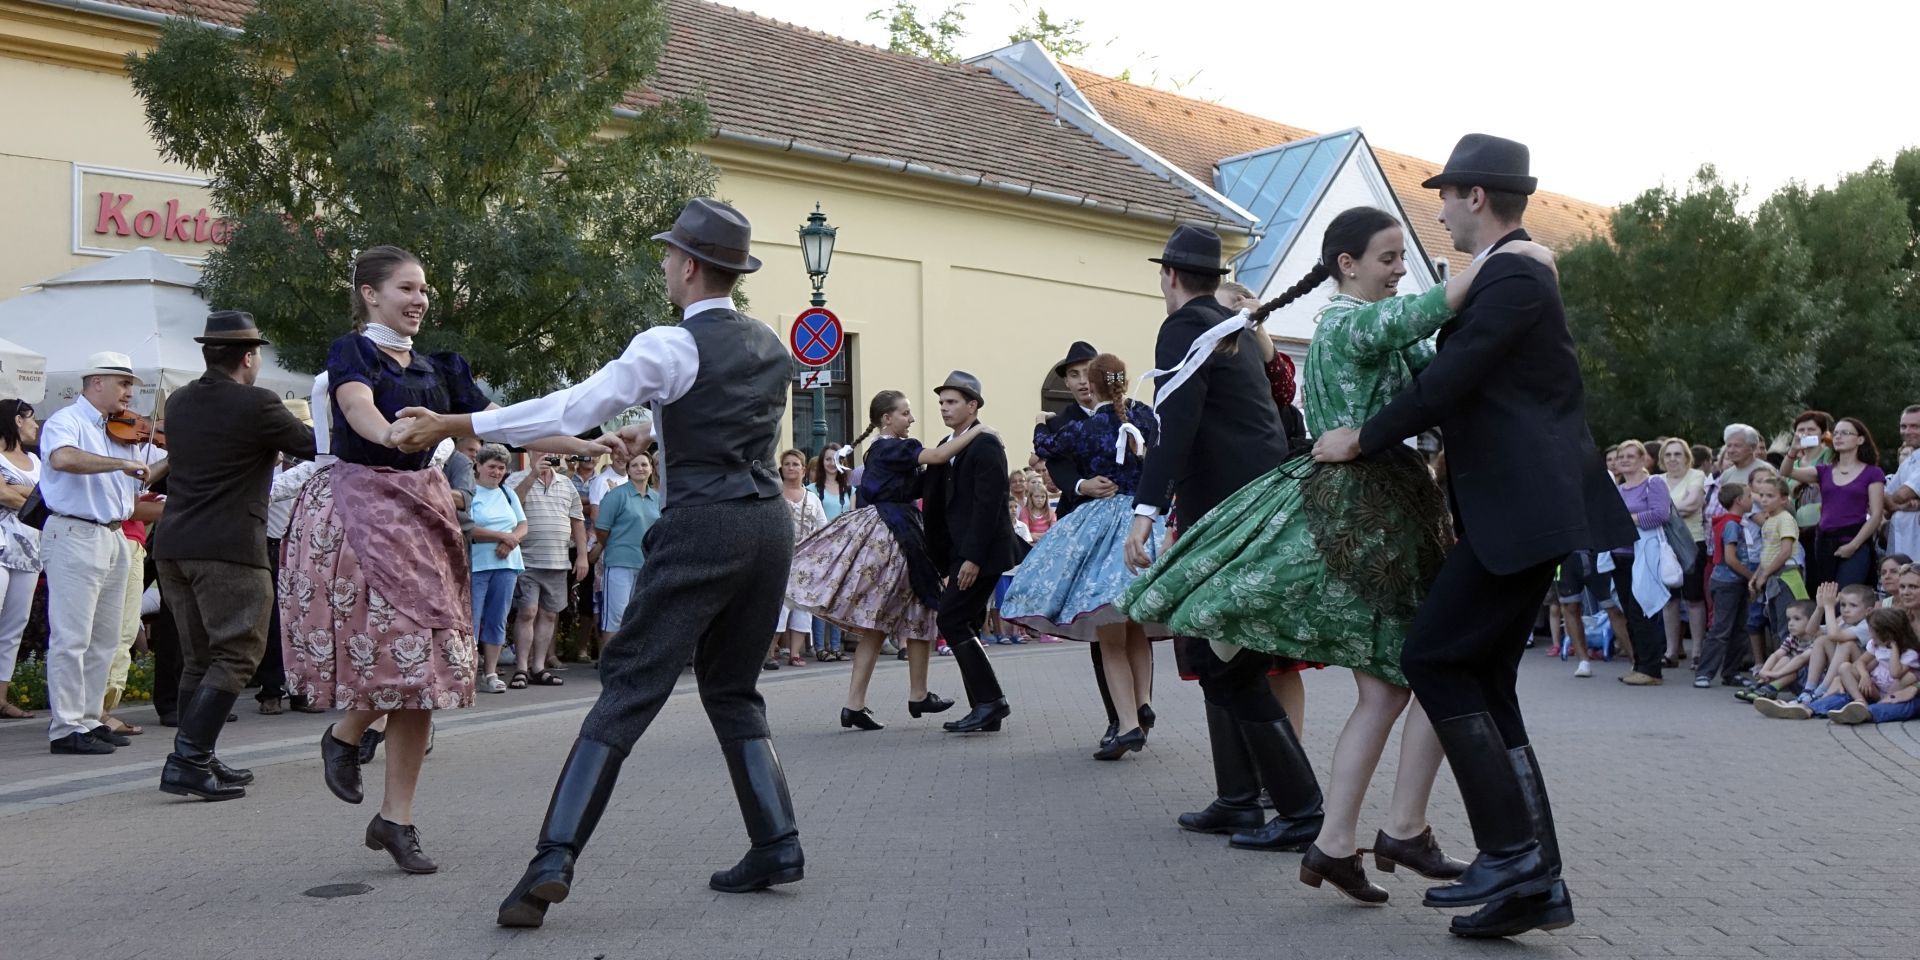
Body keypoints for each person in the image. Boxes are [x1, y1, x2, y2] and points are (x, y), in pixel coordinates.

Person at [389, 198, 808, 924]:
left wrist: (455, 422)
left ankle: (552, 859)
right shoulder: (770, 343)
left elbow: (570, 409)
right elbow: (728, 414)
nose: (665, 265)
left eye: (669, 255)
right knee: (734, 688)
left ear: (689, 266)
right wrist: (652, 430)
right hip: (768, 523)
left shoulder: (669, 344)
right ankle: (777, 843)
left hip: (703, 523)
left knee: (628, 687)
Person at [1124, 206, 1551, 902]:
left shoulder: (1357, 326)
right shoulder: (1347, 323)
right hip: (1370, 514)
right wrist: (1505, 260)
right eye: (1389, 257)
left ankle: (1336, 839)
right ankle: (1385, 829)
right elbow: (1424, 314)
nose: (1400, 268)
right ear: (1346, 265)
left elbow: (1442, 370)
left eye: (1401, 257)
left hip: (1386, 506)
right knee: (1432, 670)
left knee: (1390, 687)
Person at [1312, 135, 1633, 937]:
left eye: (1447, 198)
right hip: (1515, 512)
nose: (1442, 214)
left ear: (1476, 196)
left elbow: (1450, 379)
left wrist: (1363, 437)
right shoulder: (1514, 269)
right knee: (1486, 681)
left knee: (1433, 657)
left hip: (1519, 512)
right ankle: (1534, 887)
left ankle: (1512, 852)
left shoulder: (1515, 273)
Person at [282, 245, 578, 873]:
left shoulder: (440, 367)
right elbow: (359, 409)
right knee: (406, 649)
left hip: (423, 513)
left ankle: (395, 818)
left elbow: (504, 426)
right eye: (407, 288)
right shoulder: (353, 352)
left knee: (434, 664)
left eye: (423, 290)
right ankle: (346, 732)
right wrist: (391, 432)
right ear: (370, 294)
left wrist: (585, 440)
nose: (419, 300)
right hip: (364, 507)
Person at [1118, 224, 1324, 853]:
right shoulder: (1231, 327)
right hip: (1253, 508)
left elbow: (1173, 427)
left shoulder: (1186, 326)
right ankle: (1238, 799)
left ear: (1169, 276)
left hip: (1225, 516)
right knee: (1220, 657)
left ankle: (1301, 810)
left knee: (1229, 662)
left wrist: (1145, 512)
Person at [152, 310, 318, 800]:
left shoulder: (180, 401)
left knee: (199, 659)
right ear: (248, 357)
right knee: (237, 654)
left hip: (174, 544)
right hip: (228, 547)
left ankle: (196, 756)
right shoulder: (257, 403)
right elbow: (313, 446)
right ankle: (188, 760)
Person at [787, 390, 988, 729]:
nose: (911, 419)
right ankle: (914, 694)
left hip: (891, 529)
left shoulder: (882, 450)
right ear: (886, 418)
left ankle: (861, 703)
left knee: (884, 622)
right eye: (905, 413)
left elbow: (922, 478)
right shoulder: (894, 447)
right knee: (918, 607)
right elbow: (939, 456)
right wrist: (978, 430)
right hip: (895, 532)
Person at [1003, 352, 1166, 759]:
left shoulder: (1084, 427)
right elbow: (1166, 454)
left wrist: (1040, 424)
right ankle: (1143, 701)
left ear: (1093, 384)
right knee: (1136, 625)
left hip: (1099, 525)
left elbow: (1044, 446)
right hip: (1142, 518)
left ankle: (1127, 724)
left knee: (1110, 632)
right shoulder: (1146, 416)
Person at [40, 351, 168, 755]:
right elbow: (63, 458)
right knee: (72, 635)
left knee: (107, 638)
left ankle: (91, 717)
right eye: (123, 384)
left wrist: (174, 457)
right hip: (75, 532)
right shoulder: (66, 421)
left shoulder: (118, 431)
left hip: (114, 534)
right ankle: (65, 727)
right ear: (97, 382)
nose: (130, 392)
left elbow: (136, 484)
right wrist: (119, 463)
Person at [1033, 340, 1135, 750]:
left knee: (1130, 625)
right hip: (1084, 526)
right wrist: (1081, 485)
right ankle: (1119, 718)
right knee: (1102, 625)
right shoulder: (1065, 422)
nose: (1080, 382)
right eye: (1072, 375)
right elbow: (1056, 466)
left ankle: (1136, 712)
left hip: (1125, 524)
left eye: (1085, 373)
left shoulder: (1128, 412)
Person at [920, 372, 1020, 734]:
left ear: (972, 405)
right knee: (966, 623)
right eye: (941, 402)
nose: (944, 408)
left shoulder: (986, 444)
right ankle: (985, 708)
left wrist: (972, 559)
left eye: (952, 402)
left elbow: (988, 506)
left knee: (951, 619)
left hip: (982, 554)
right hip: (957, 554)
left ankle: (991, 701)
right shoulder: (946, 445)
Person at [509, 452, 588, 688]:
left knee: (549, 615)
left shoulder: (566, 484)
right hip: (527, 560)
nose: (547, 455)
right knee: (527, 612)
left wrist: (582, 556)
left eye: (551, 451)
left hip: (558, 561)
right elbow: (511, 506)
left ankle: (538, 667)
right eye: (541, 450)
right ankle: (521, 668)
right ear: (530, 452)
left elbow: (577, 521)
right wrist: (533, 475)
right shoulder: (517, 478)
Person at [1783, 417, 1884, 590]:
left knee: (1846, 593)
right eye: (1836, 433)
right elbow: (1786, 471)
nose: (1838, 437)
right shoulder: (1824, 471)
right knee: (1825, 594)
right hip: (1824, 541)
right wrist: (1793, 450)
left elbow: (1876, 515)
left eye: (1845, 433)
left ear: (1860, 439)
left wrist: (1854, 545)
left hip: (1854, 538)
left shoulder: (1872, 473)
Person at [1611, 440, 1672, 686]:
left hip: (1644, 556)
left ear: (1642, 459)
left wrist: (1626, 519)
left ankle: (1652, 670)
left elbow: (1661, 514)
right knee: (1629, 613)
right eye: (1621, 457)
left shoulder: (1653, 483)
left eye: (1630, 456)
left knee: (1642, 612)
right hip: (1620, 555)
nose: (1625, 460)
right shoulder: (1618, 489)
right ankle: (1638, 664)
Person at [469, 444, 527, 693]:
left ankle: (490, 674)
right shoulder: (469, 492)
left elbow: (523, 525)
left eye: (501, 468)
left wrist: (511, 540)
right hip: (477, 565)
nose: (496, 472)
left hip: (507, 564)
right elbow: (467, 528)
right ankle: (466, 674)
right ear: (479, 466)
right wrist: (502, 537)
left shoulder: (507, 492)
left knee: (497, 619)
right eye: (491, 466)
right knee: (471, 620)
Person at [591, 452, 661, 654]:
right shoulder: (616, 495)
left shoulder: (656, 498)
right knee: (616, 616)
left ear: (651, 468)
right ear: (628, 470)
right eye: (635, 465)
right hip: (619, 563)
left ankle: (634, 663)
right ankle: (611, 664)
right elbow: (602, 529)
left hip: (647, 565)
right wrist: (615, 545)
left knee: (641, 616)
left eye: (644, 464)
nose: (640, 468)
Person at [0, 399, 42, 719]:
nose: (36, 425)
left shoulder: (36, 461)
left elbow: (49, 497)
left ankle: (0, 698)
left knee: (14, 626)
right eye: (32, 419)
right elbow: (2, 494)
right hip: (2, 547)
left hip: (29, 552)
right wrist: (31, 496)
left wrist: (17, 489)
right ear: (17, 420)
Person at [1697, 483, 1756, 687]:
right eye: (1749, 496)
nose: (1752, 499)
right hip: (1727, 582)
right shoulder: (1731, 524)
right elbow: (1730, 558)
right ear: (1739, 501)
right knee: (1721, 629)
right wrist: (1751, 577)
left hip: (1735, 582)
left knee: (1739, 629)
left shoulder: (1736, 522)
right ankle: (1704, 673)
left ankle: (1731, 672)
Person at [772, 449, 826, 668]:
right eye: (787, 464)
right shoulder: (774, 495)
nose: (791, 467)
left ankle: (795, 653)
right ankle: (770, 652)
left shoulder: (812, 498)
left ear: (803, 470)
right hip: (779, 558)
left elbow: (823, 528)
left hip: (806, 561)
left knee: (803, 607)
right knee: (779, 606)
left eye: (795, 464)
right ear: (781, 469)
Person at [1658, 437, 1708, 668]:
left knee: (1694, 598)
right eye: (1668, 455)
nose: (1672, 459)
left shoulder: (1696, 476)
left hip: (1692, 542)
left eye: (1677, 454)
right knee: (1669, 599)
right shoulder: (1656, 480)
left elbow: (1692, 504)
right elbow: (1680, 508)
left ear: (1687, 457)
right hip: (1664, 545)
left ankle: (1697, 651)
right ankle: (1671, 651)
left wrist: (1660, 512)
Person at [805, 448, 852, 661]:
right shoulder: (812, 490)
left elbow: (853, 517)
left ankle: (836, 646)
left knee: (837, 599)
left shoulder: (849, 489)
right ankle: (819, 647)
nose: (832, 463)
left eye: (836, 459)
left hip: (843, 549)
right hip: (821, 550)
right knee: (820, 599)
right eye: (828, 459)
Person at [1885, 406, 1920, 560]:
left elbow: (1903, 494)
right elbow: (1883, 499)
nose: (1907, 431)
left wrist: (1894, 504)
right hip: (1902, 545)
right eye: (1903, 426)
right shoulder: (1908, 462)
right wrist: (1899, 506)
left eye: (1915, 426)